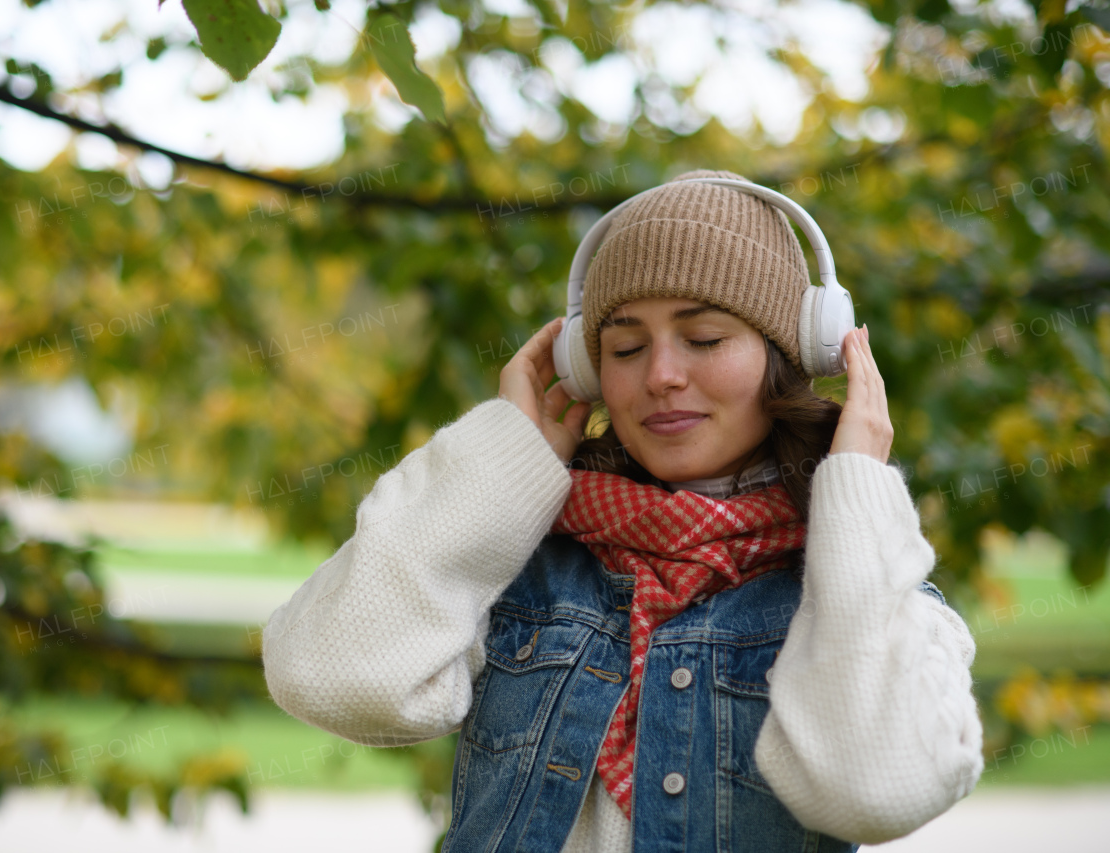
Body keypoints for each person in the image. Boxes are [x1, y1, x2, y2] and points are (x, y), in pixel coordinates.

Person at [262, 169, 984, 852]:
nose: (662, 375)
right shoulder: (522, 572)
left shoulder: (873, 596)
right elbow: (332, 676)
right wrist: (504, 460)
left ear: (790, 351)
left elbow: (875, 789)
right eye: (625, 346)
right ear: (586, 367)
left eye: (704, 338)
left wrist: (856, 488)